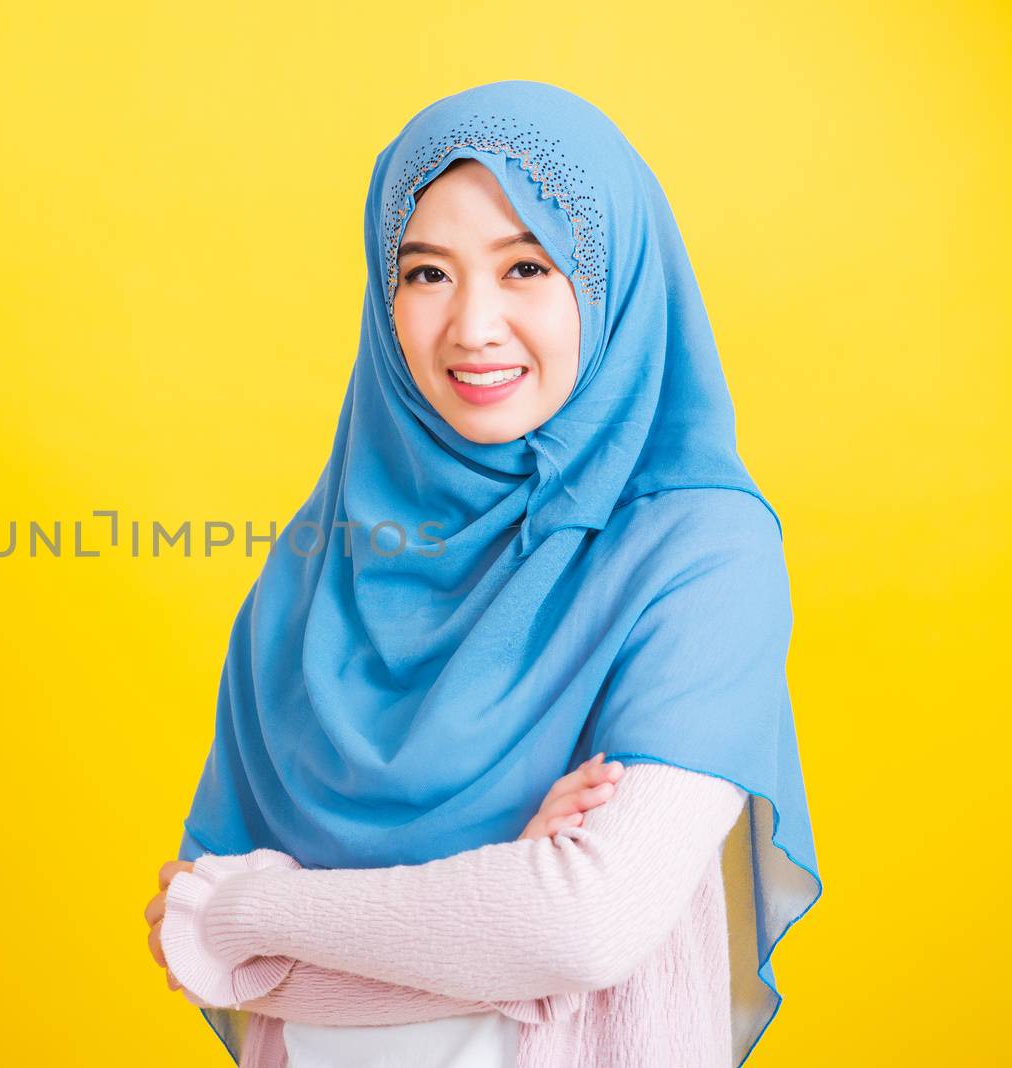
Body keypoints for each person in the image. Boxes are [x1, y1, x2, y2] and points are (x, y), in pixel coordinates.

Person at [141, 80, 821, 1068]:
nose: (471, 327)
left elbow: (581, 930)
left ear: (608, 282)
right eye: (426, 274)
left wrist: (255, 912)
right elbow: (192, 952)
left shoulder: (700, 553)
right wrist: (496, 894)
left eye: (526, 268)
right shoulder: (314, 574)